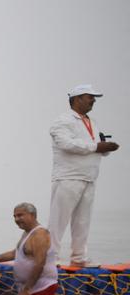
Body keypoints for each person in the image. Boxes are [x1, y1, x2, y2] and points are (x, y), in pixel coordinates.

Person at [48, 84, 119, 266]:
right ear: (77, 98)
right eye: (90, 96)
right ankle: (51, 258)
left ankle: (79, 258)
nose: (93, 100)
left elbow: (94, 146)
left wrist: (105, 148)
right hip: (68, 177)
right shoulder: (62, 121)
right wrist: (97, 146)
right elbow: (66, 144)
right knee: (58, 221)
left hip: (89, 177)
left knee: (83, 221)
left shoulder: (91, 122)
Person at [0, 202, 58, 295]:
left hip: (40, 287)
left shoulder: (39, 234)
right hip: (30, 288)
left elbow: (40, 264)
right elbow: (16, 253)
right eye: (15, 216)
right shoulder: (27, 233)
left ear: (32, 215)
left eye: (20, 215)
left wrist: (27, 290)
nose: (16, 219)